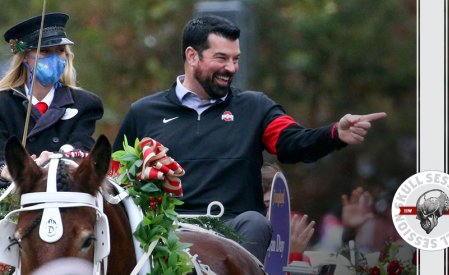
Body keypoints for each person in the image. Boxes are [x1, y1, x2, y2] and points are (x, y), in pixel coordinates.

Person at [113, 15, 386, 263]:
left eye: (236, 58)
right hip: (164, 233)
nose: (231, 68)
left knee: (256, 223)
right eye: (221, 58)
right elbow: (116, 180)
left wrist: (334, 133)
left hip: (232, 231)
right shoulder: (144, 113)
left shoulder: (255, 108)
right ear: (192, 56)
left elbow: (292, 143)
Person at [0, 13, 104, 187]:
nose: (55, 59)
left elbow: (82, 145)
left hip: (63, 193)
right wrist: (6, 169)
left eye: (60, 51)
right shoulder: (3, 103)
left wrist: (57, 157)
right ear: (25, 57)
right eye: (45, 51)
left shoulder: (85, 103)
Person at [261, 162, 315, 264]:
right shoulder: (241, 243)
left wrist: (294, 255)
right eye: (267, 206)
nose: (272, 214)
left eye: (281, 208)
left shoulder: (294, 246)